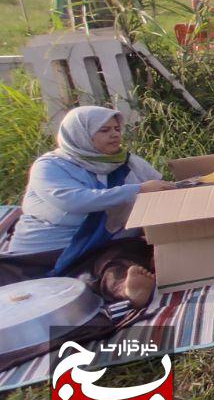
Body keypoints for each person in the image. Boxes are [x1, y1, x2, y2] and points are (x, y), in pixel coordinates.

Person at [1, 107, 175, 307]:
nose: (114, 134)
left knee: (127, 256)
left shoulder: (128, 163)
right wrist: (137, 190)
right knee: (10, 280)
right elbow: (73, 201)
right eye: (104, 130)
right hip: (44, 252)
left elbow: (162, 188)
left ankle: (125, 289)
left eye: (117, 128)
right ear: (79, 134)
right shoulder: (50, 166)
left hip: (101, 248)